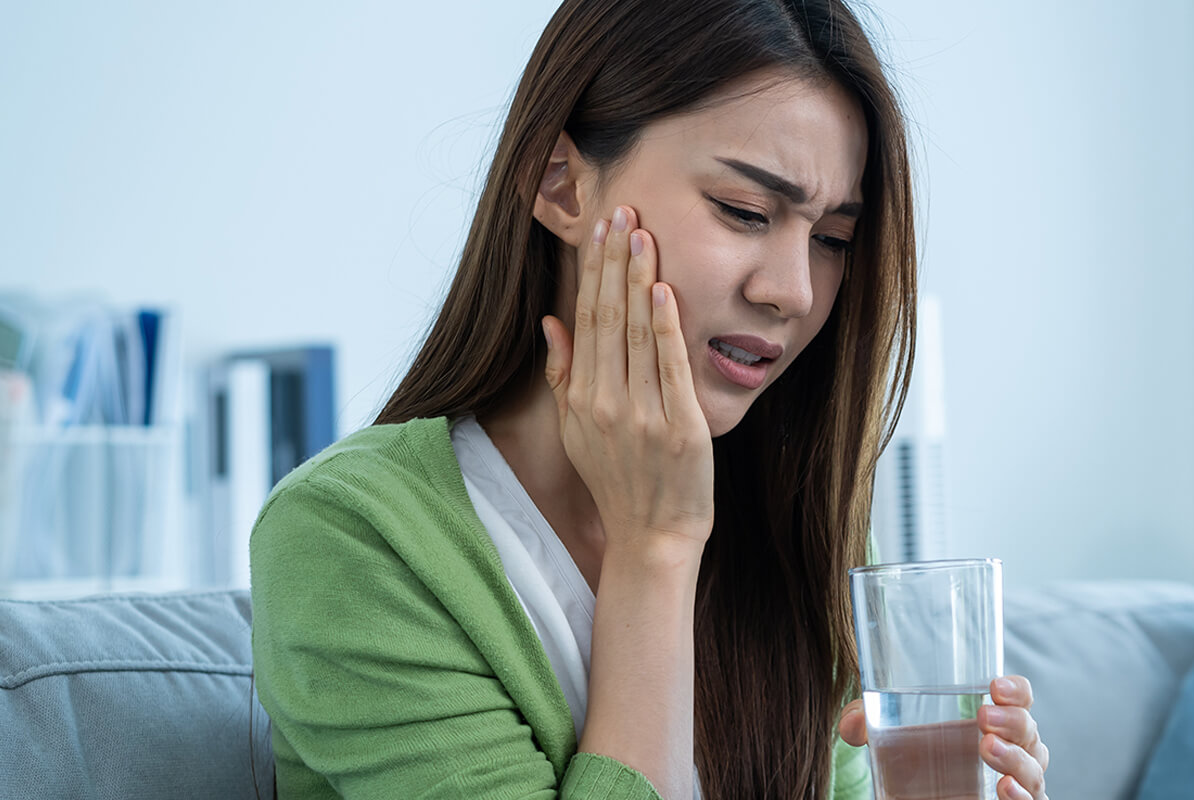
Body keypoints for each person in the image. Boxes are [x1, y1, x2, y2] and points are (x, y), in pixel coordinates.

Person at [248, 0, 1050, 797]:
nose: (795, 292)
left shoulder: (799, 525)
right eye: (744, 211)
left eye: (832, 239)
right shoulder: (350, 540)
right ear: (559, 183)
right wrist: (656, 546)